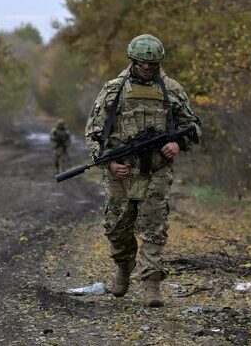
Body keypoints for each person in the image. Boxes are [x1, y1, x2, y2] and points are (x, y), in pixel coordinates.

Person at [85, 34, 201, 307]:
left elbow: (193, 127)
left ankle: (151, 285)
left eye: (153, 64)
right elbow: (94, 132)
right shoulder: (114, 90)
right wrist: (109, 162)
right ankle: (124, 267)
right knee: (116, 227)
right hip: (121, 171)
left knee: (154, 226)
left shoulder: (171, 90)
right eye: (143, 63)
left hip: (157, 169)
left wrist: (177, 142)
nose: (148, 68)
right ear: (132, 61)